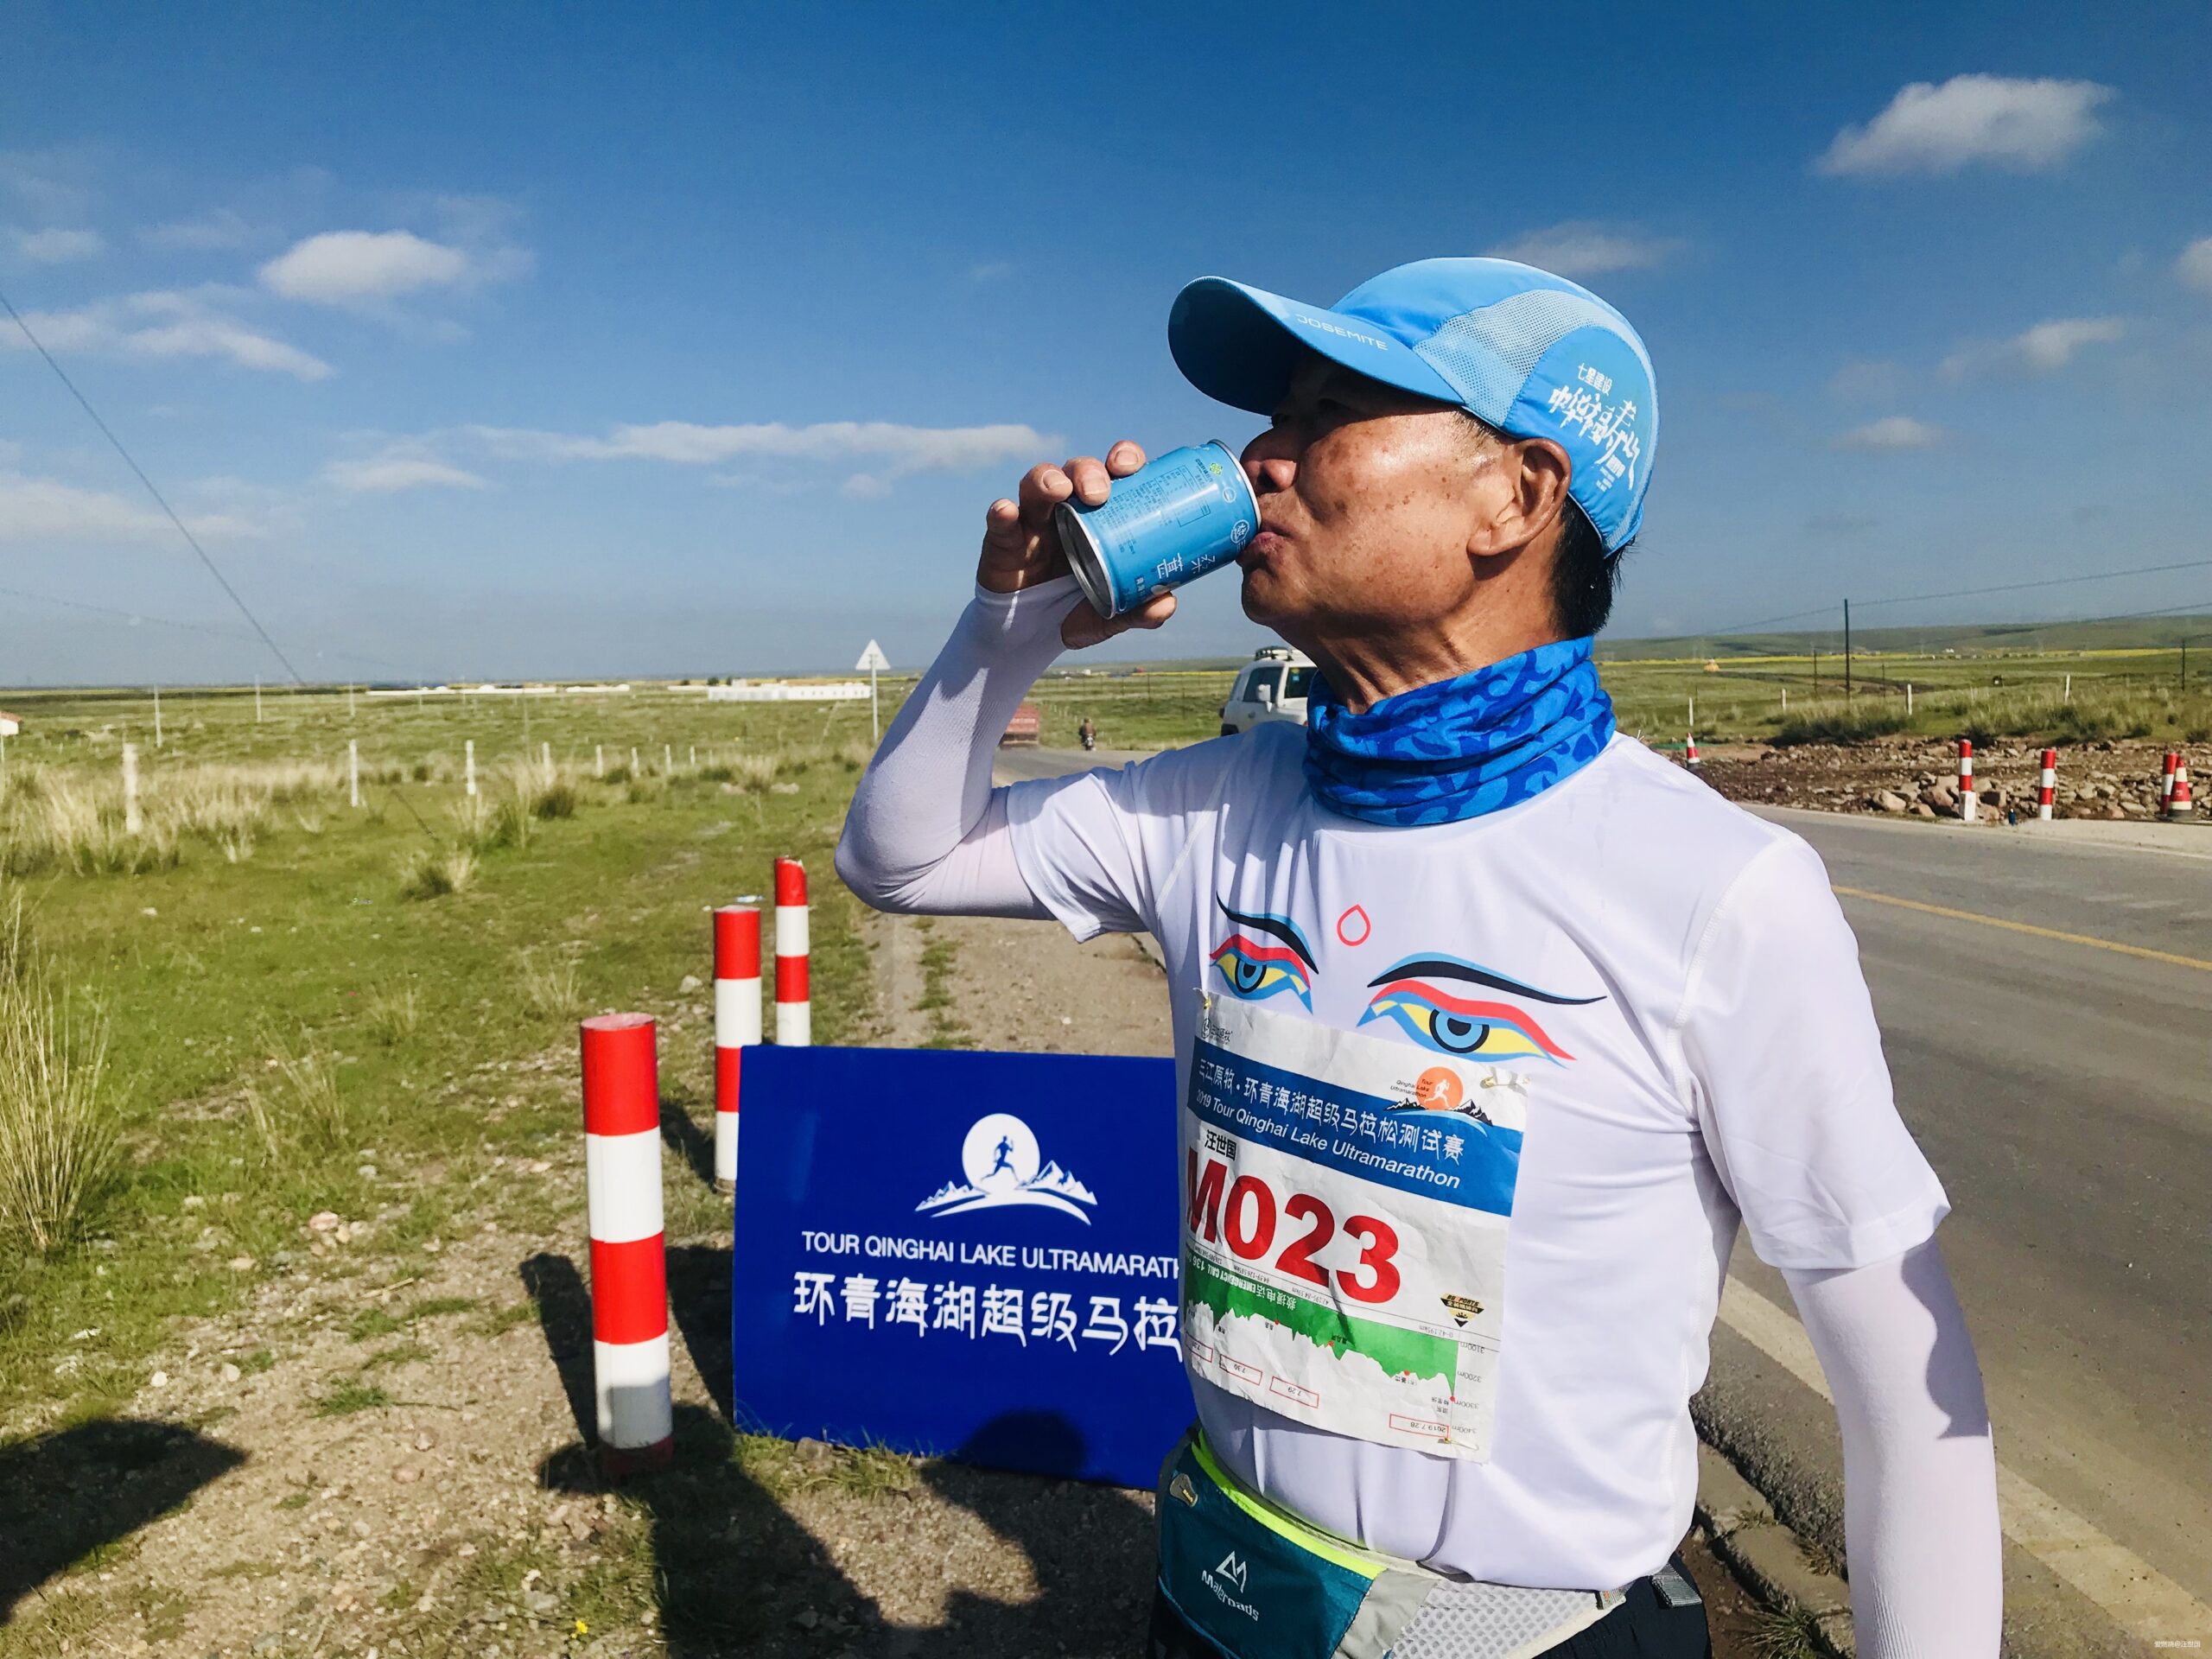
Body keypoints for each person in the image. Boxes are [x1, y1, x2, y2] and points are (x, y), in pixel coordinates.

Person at [838, 259, 2001, 1657]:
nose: (1262, 457)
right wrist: (1016, 618)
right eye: (1273, 417)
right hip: (1217, 1603)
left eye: (1329, 415)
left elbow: (1905, 1399)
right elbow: (900, 857)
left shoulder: (1718, 888)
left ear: (1516, 496)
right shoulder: (1211, 803)